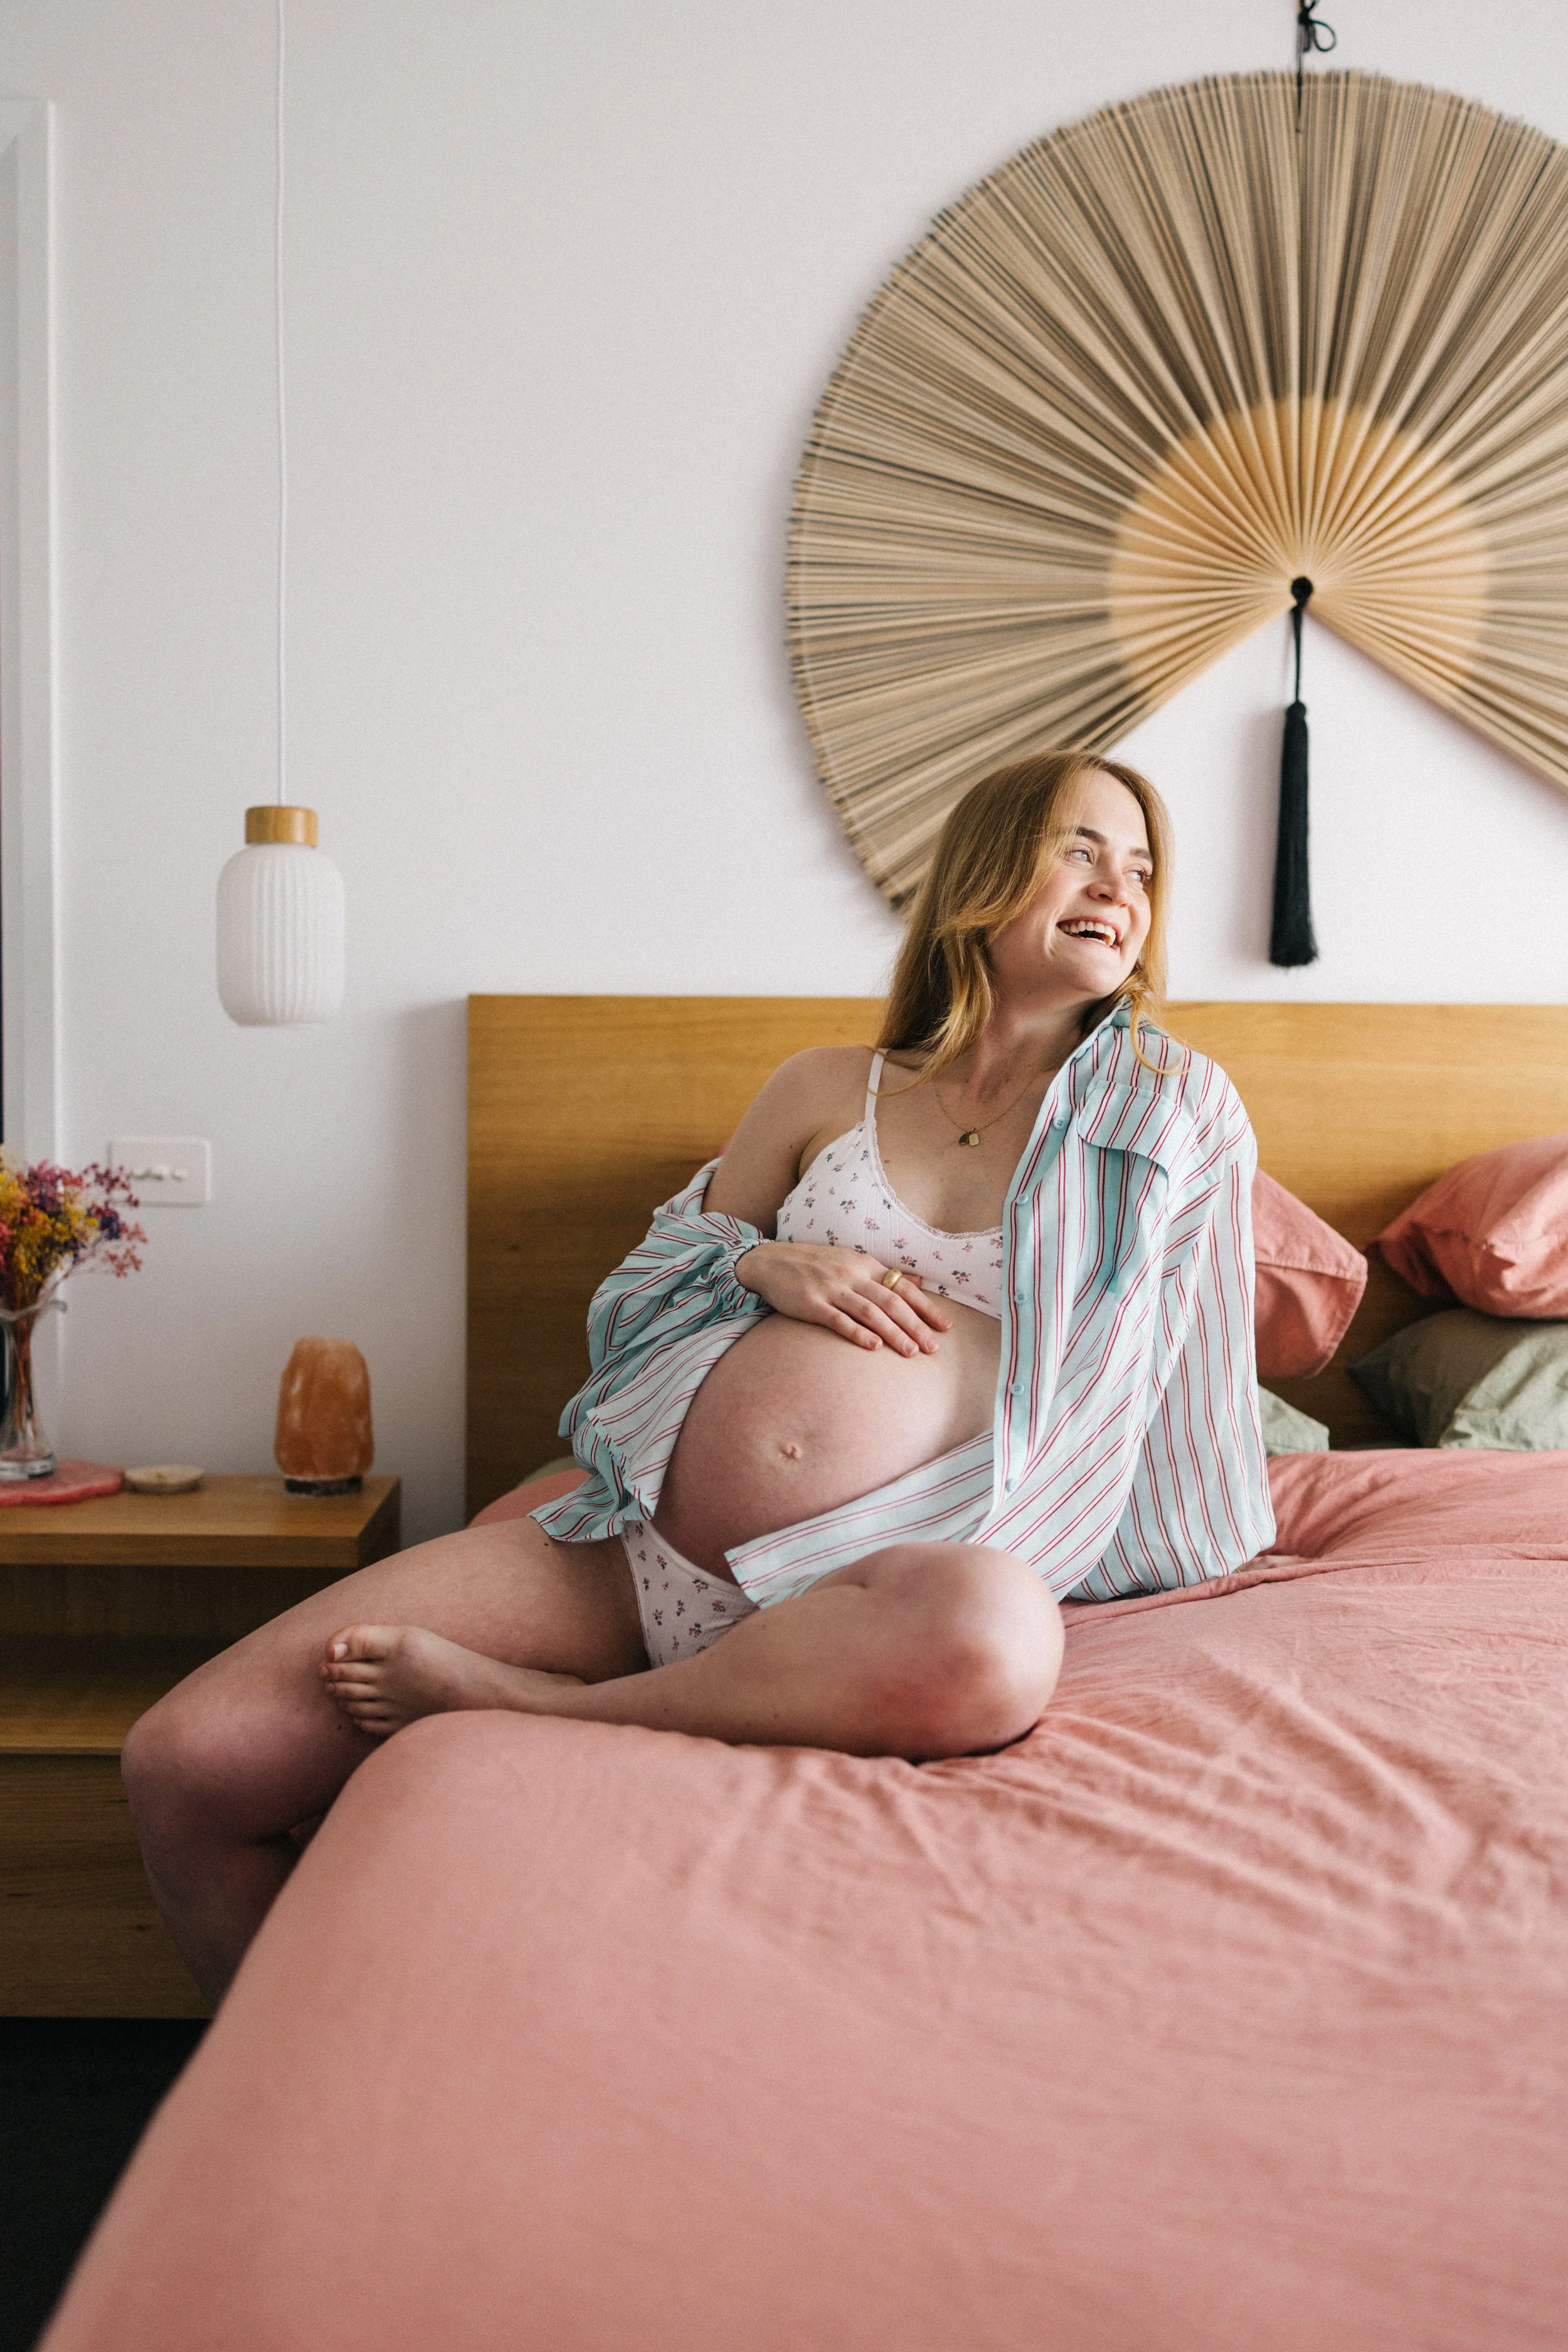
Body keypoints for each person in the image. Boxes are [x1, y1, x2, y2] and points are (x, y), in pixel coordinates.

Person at [122, 752, 1273, 2003]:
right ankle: (291, 2125)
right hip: (635, 1552)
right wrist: (764, 1264)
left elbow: (1165, 1382)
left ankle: (528, 1710)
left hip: (875, 1588)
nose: (1120, 886)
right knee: (184, 1763)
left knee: (997, 1636)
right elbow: (633, 1317)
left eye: (1143, 868)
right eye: (1081, 850)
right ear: (981, 873)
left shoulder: (1170, 1112)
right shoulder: (821, 1085)